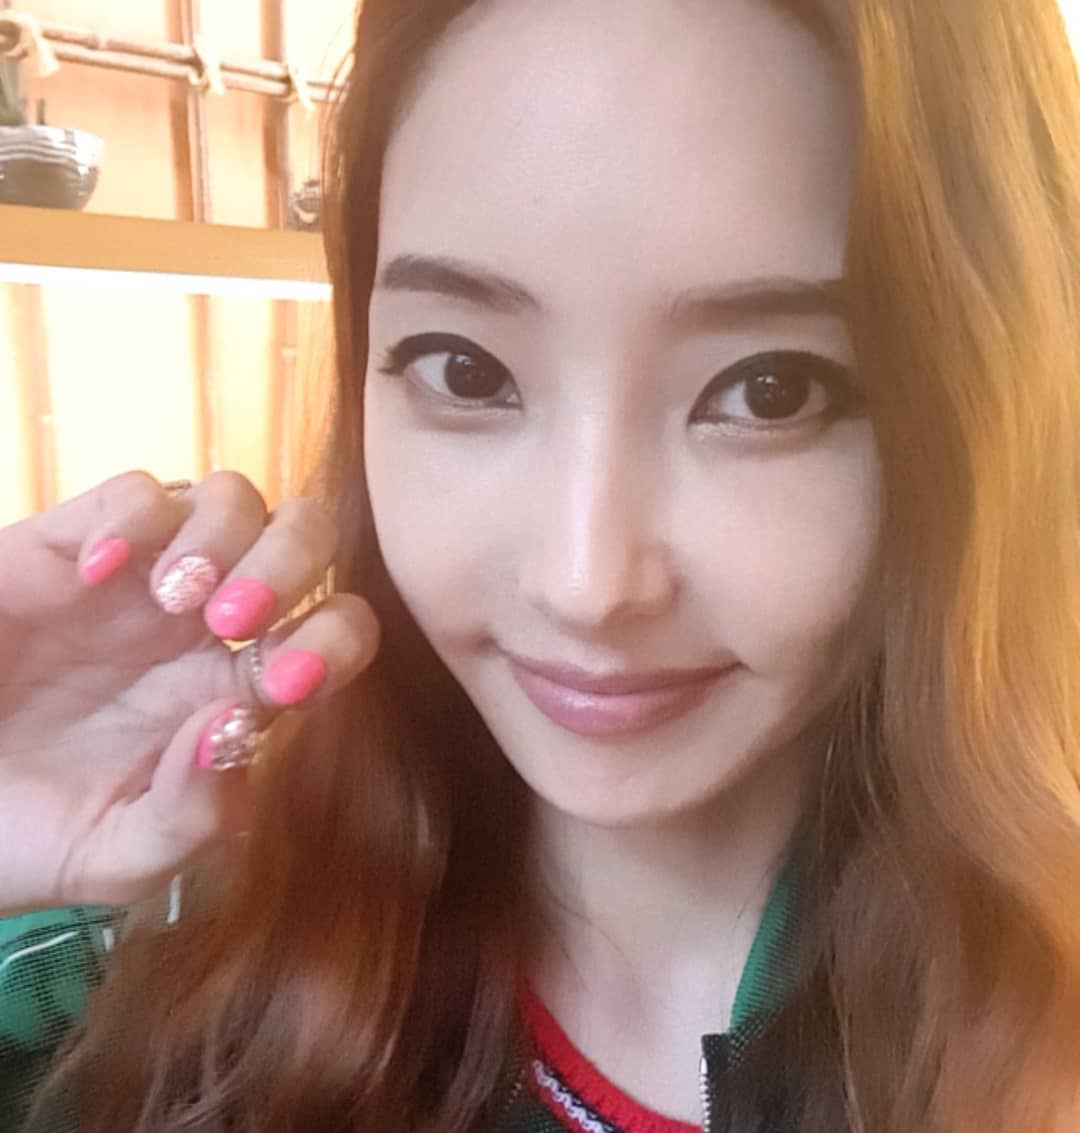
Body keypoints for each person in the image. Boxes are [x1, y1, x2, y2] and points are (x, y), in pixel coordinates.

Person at [1, 0, 1078, 1129]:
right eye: (465, 371)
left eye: (771, 390)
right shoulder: (157, 947)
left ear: (996, 407)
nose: (586, 583)